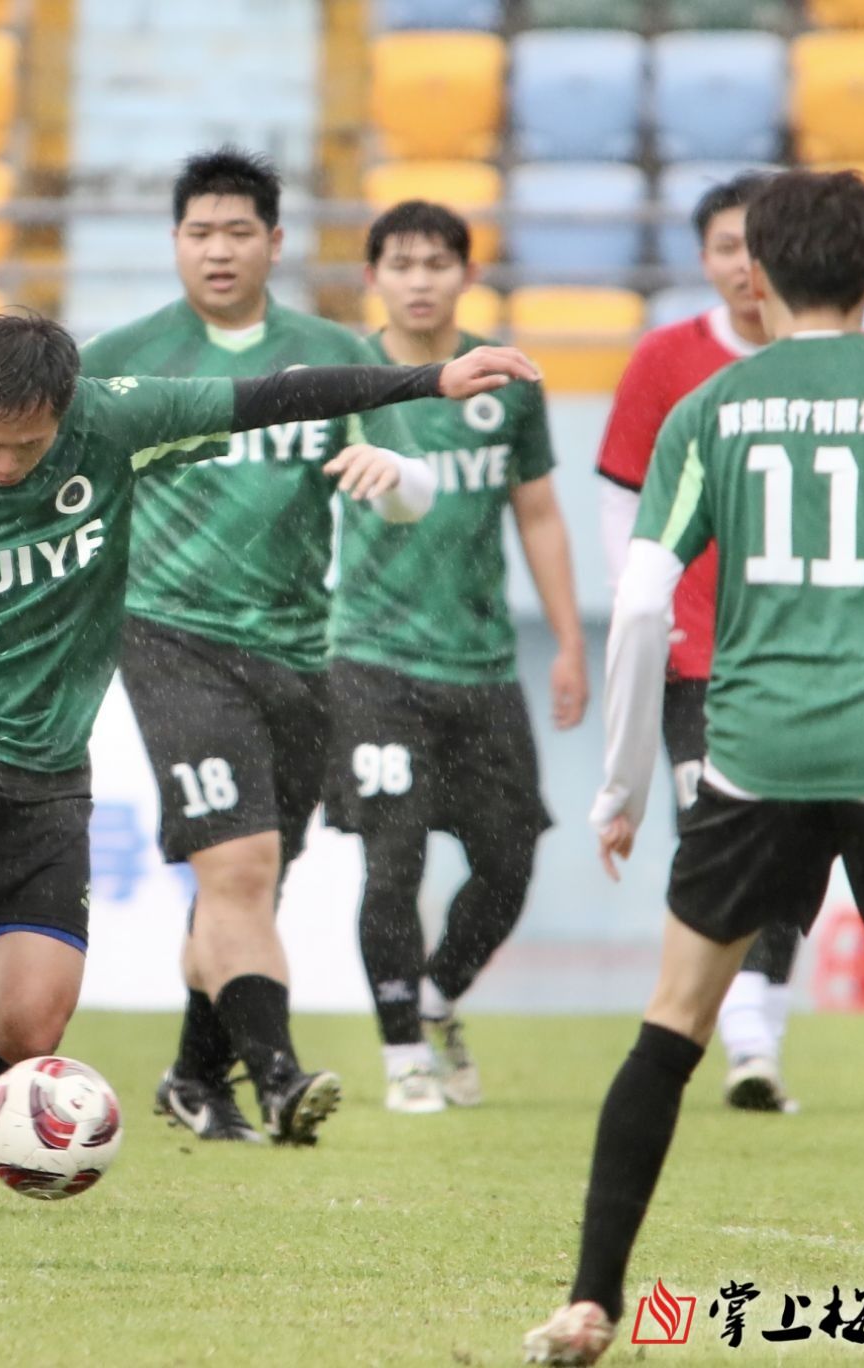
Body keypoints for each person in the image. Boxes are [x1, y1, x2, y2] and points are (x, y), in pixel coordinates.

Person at [0, 311, 538, 1211]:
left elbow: (279, 396)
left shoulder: (114, 421)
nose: (6, 464)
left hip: (44, 757)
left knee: (29, 1023)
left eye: (28, 447)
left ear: (65, 409)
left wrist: (428, 381)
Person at [526, 169, 864, 1368]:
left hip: (756, 748)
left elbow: (638, 606)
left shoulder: (713, 410)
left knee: (672, 1027)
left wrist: (623, 783)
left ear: (757, 277)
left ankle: (588, 1302)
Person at [81, 148, 428, 1145]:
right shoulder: (122, 357)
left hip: (297, 650)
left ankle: (196, 1078)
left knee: (253, 883)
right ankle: (277, 1079)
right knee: (237, 868)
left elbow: (412, 499)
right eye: (200, 232)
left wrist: (390, 471)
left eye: (240, 232)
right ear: (175, 244)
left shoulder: (328, 354)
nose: (219, 250)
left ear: (276, 243)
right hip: (169, 639)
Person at [328, 201, 587, 1114]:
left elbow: (540, 513)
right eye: (401, 262)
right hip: (371, 660)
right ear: (373, 278)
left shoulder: (504, 379)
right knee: (392, 860)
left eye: (439, 261)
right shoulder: (343, 378)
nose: (421, 278)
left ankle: (437, 998)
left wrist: (567, 644)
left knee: (510, 858)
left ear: (466, 276)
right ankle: (402, 1052)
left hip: (480, 663)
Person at [597, 171, 803, 1114]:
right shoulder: (665, 360)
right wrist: (642, 603)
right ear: (705, 258)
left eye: (760, 245)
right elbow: (618, 498)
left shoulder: (835, 363)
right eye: (727, 246)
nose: (745, 265)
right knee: (717, 838)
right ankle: (749, 1036)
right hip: (700, 651)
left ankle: (758, 1019)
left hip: (811, 649)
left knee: (800, 844)